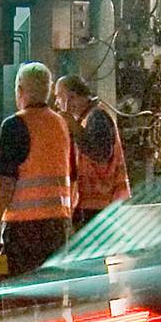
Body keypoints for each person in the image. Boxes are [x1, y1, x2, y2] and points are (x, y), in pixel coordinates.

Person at [0, 62, 76, 272]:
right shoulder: (61, 125)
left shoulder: (14, 125)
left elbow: (5, 183)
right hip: (58, 226)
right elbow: (72, 177)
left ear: (20, 90)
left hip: (24, 229)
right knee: (52, 294)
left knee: (22, 298)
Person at [58, 74, 128, 236]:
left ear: (72, 97)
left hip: (100, 203)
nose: (57, 103)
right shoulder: (85, 119)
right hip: (92, 204)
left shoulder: (97, 117)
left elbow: (100, 153)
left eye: (59, 97)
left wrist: (72, 126)